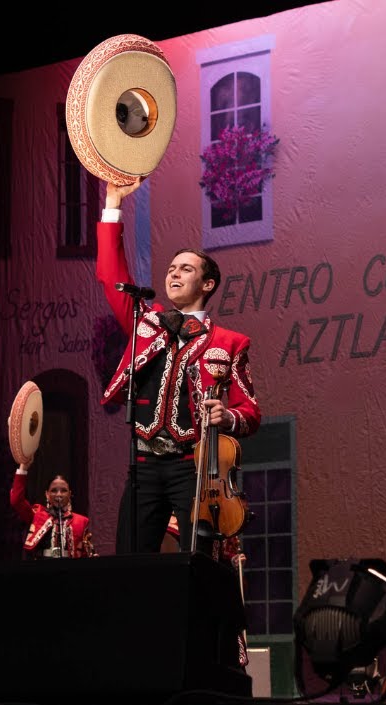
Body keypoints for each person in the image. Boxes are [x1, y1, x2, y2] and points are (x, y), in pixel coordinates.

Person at [97, 180, 260, 553]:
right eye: (171, 268)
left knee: (194, 568)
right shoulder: (147, 321)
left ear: (207, 283)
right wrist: (112, 204)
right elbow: (111, 277)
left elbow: (250, 413)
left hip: (193, 468)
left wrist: (226, 416)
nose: (173, 274)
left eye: (185, 269)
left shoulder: (229, 342)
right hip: (143, 463)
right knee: (130, 567)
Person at [10, 462, 97, 559]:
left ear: (69, 494)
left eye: (63, 491)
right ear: (47, 494)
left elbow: (84, 554)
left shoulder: (81, 521)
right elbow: (16, 500)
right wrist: (23, 468)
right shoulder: (37, 515)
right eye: (54, 490)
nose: (59, 494)